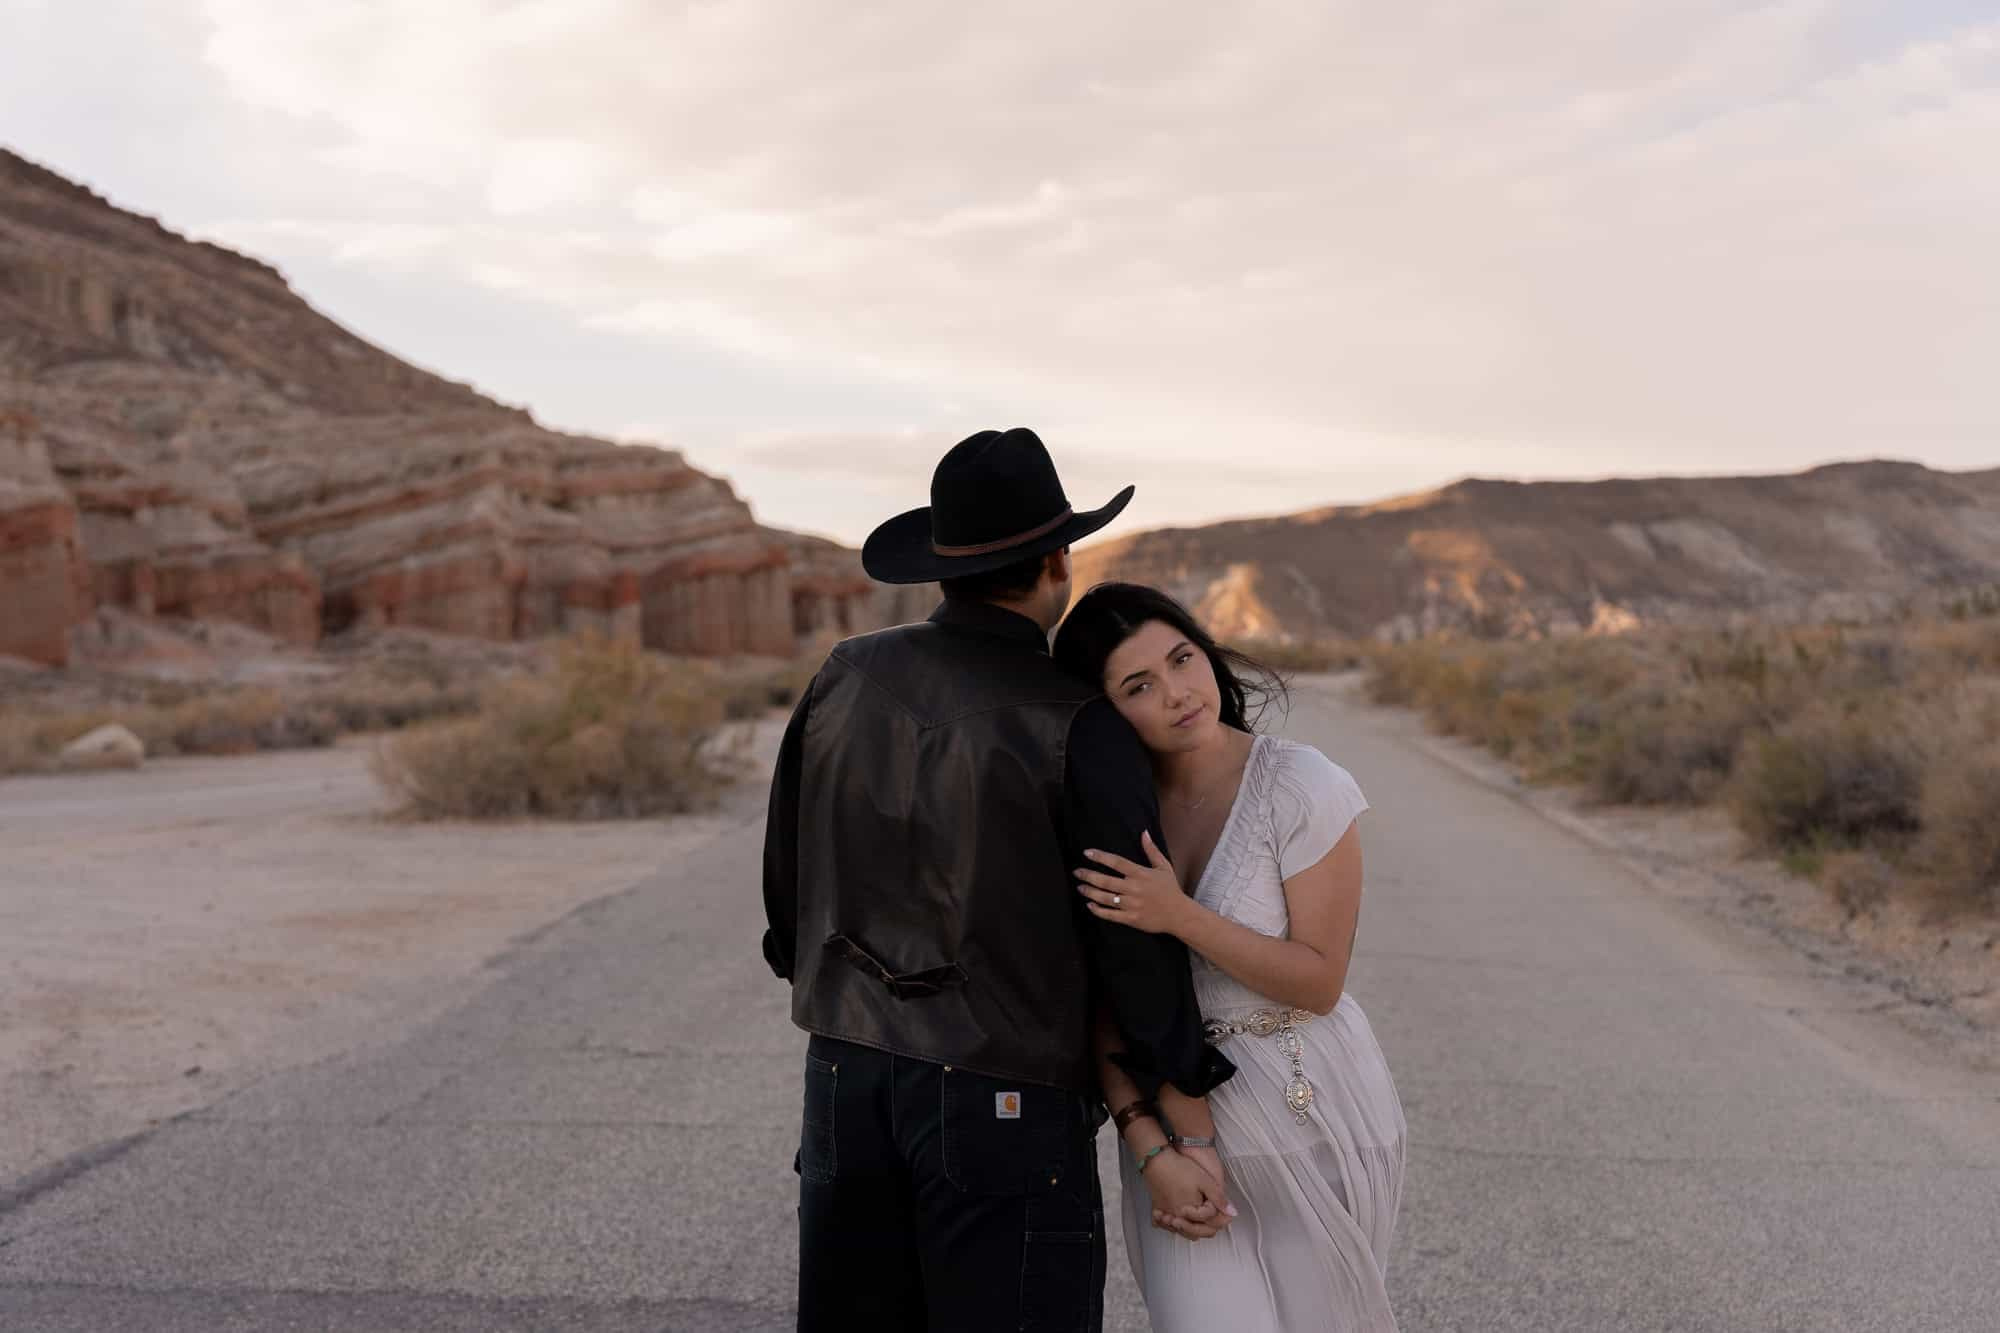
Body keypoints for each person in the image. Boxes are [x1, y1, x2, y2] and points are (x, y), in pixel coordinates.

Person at [761, 429, 1238, 1332]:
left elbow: (786, 884)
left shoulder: (844, 675)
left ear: (944, 564)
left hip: (844, 1075)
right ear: (1058, 560)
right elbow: (1131, 933)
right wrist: (1181, 1098)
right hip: (1004, 1100)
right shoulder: (1081, 722)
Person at [1052, 582, 1408, 1333]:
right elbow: (1103, 997)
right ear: (1103, 712)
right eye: (1138, 685)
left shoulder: (1300, 784)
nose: (1179, 692)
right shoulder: (1106, 810)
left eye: (1183, 658)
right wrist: (1151, 1149)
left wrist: (1177, 914)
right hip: (1178, 1134)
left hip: (1311, 1113)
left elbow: (1319, 980)